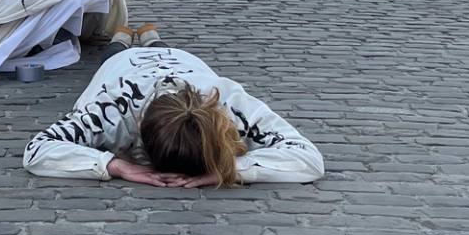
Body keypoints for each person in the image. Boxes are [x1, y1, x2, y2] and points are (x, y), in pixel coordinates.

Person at [23, 45, 323, 187]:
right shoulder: (116, 104)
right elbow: (37, 151)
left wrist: (229, 168)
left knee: (148, 44)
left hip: (182, 58)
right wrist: (116, 166)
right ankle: (125, 38)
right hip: (122, 65)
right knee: (114, 50)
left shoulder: (232, 103)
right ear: (138, 126)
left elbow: (309, 159)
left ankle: (147, 37)